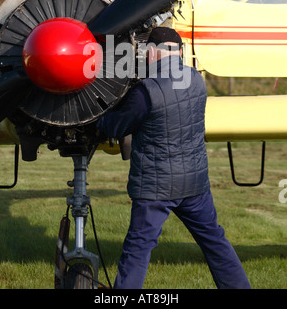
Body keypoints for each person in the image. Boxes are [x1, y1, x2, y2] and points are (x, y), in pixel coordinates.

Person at [96, 27, 251, 289]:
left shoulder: (146, 92)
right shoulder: (197, 80)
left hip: (156, 188)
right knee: (215, 242)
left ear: (154, 52)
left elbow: (117, 127)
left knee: (138, 249)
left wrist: (98, 119)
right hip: (194, 184)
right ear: (178, 52)